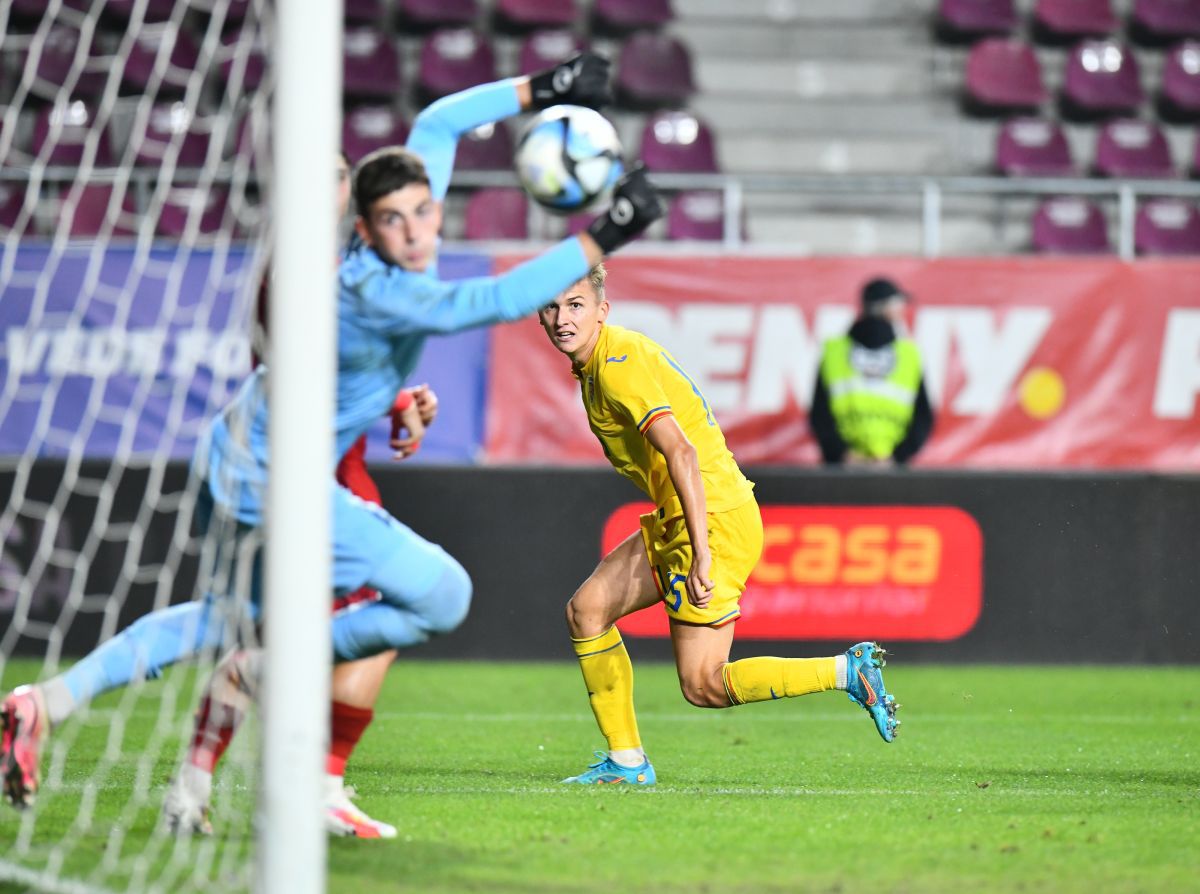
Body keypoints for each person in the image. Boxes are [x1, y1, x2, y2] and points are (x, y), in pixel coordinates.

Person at [0, 53, 664, 814]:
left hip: (239, 451)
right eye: (396, 219)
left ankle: (43, 703)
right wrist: (607, 231)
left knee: (221, 620)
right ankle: (278, 692)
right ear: (362, 225)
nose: (417, 230)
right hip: (273, 478)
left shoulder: (381, 238)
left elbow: (439, 121)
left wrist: (545, 89)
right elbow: (488, 299)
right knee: (442, 594)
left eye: (424, 210)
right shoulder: (380, 287)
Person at [536, 265, 899, 786]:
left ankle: (846, 671)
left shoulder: (616, 364)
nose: (562, 318)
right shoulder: (600, 363)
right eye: (551, 308)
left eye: (575, 305)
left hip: (710, 519)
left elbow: (680, 449)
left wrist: (702, 551)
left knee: (703, 684)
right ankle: (626, 763)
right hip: (687, 514)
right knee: (587, 610)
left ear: (601, 311)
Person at [810, 277, 934, 467]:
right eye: (897, 303)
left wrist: (842, 454)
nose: (902, 309)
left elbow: (819, 414)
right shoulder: (909, 354)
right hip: (889, 471)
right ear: (884, 307)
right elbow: (923, 416)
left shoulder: (835, 351)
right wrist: (896, 458)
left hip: (842, 470)